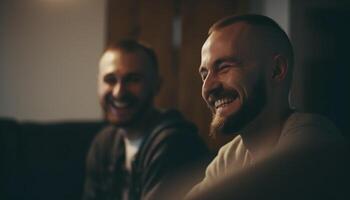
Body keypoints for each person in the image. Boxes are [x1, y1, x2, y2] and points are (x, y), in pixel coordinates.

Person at [187, 14, 347, 199]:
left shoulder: (312, 139)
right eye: (204, 75)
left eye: (224, 67)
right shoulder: (229, 156)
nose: (208, 87)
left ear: (276, 70)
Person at [82, 39, 208, 200]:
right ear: (98, 84)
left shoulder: (175, 143)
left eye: (133, 79)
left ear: (157, 85)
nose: (118, 92)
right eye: (110, 80)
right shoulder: (104, 143)